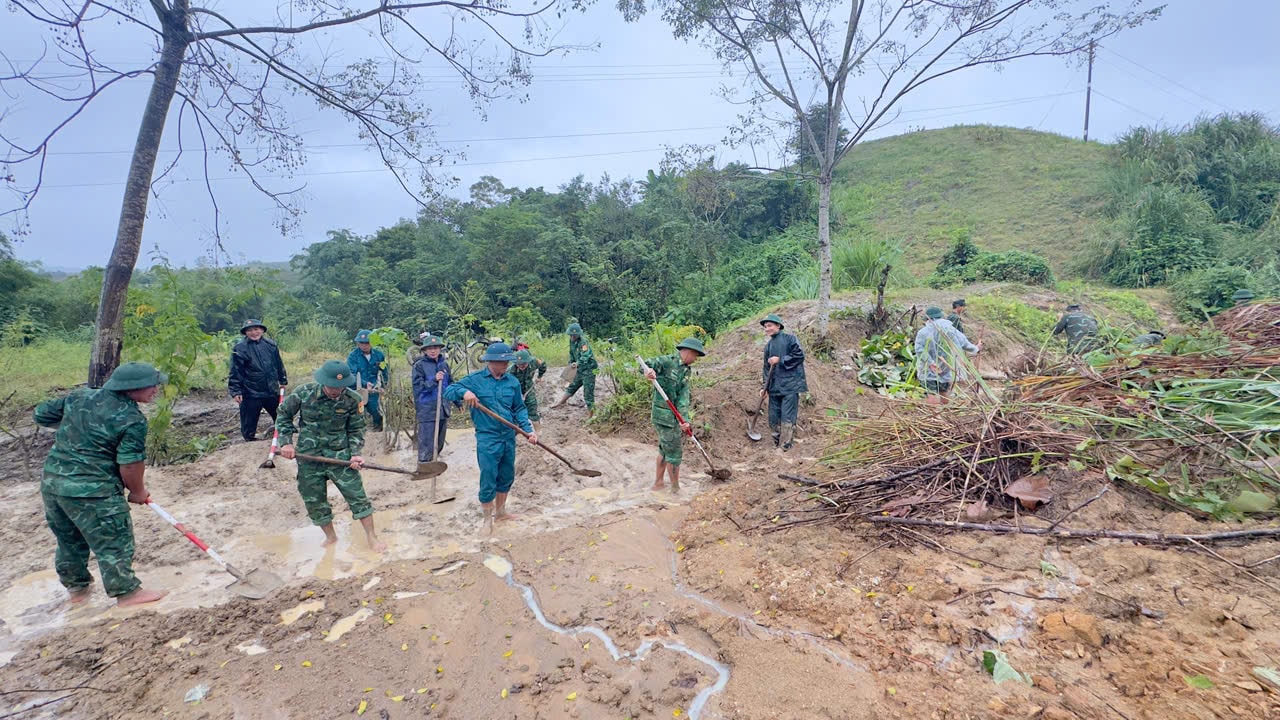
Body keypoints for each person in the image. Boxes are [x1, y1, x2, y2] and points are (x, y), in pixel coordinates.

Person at [35, 361, 169, 607]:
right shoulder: (132, 419)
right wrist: (138, 491)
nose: (156, 390)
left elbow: (41, 414)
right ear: (132, 388)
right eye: (152, 385)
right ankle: (127, 592)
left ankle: (77, 589)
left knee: (69, 539)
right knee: (114, 539)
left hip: (54, 484)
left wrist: (77, 424)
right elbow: (130, 464)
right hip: (94, 491)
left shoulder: (78, 397)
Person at [277, 360, 385, 552]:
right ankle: (331, 536)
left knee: (357, 496)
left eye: (340, 387)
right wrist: (286, 442)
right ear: (323, 381)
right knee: (314, 500)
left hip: (340, 457)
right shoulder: (304, 393)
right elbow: (283, 415)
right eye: (332, 386)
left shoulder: (353, 399)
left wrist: (355, 454)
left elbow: (356, 429)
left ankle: (372, 537)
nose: (336, 391)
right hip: (308, 457)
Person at [445, 342, 537, 535]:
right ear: (491, 362)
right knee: (488, 477)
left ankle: (501, 512)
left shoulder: (512, 382)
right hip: (488, 437)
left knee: (506, 475)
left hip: (508, 436)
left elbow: (519, 409)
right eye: (502, 362)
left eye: (507, 362)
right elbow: (449, 391)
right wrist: (465, 392)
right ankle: (487, 519)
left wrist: (529, 430)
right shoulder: (475, 380)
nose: (506, 365)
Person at [643, 337, 706, 493]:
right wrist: (648, 371)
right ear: (689, 352)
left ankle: (658, 484)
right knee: (674, 453)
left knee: (665, 449)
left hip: (673, 416)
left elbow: (683, 397)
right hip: (663, 416)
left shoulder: (686, 371)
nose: (695, 359)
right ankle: (675, 490)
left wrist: (684, 420)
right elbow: (646, 364)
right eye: (695, 356)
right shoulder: (667, 362)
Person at [228, 319, 288, 441]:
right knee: (249, 421)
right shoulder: (240, 348)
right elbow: (236, 370)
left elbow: (278, 363)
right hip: (250, 391)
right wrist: (236, 391)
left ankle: (284, 436)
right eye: (250, 330)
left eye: (256, 329)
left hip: (271, 389)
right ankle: (250, 441)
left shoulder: (271, 345)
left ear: (262, 330)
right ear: (245, 333)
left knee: (280, 415)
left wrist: (282, 380)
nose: (254, 333)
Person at [760, 313, 807, 451]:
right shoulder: (768, 346)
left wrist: (780, 359)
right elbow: (766, 368)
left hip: (790, 385)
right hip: (774, 387)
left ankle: (785, 445)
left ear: (778, 326)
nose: (767, 329)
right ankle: (776, 443)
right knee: (773, 416)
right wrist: (764, 387)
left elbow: (799, 356)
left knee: (787, 416)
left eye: (769, 326)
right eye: (765, 327)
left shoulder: (790, 339)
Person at [914, 307, 979, 404]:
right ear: (940, 316)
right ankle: (945, 411)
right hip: (946, 368)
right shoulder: (950, 329)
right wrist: (976, 348)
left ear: (928, 319)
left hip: (928, 370)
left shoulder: (923, 332)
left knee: (931, 393)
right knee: (944, 392)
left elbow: (919, 350)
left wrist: (931, 363)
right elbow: (964, 343)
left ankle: (933, 413)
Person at [411, 334, 454, 462]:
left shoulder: (444, 365)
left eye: (435, 348)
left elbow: (450, 384)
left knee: (439, 442)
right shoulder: (419, 366)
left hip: (443, 408)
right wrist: (434, 380)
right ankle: (424, 466)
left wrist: (457, 401)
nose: (433, 351)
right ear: (424, 350)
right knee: (427, 444)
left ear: (440, 349)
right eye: (429, 348)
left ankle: (434, 464)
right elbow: (418, 388)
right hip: (427, 410)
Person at [549, 322, 597, 417]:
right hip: (579, 369)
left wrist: (577, 363)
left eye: (574, 335)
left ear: (579, 334)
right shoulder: (571, 341)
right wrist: (570, 364)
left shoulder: (583, 342)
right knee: (572, 386)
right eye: (571, 335)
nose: (572, 337)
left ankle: (591, 414)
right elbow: (572, 353)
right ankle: (561, 402)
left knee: (588, 393)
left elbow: (585, 356)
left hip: (589, 370)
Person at [346, 329, 388, 432]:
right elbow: (351, 374)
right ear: (358, 343)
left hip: (373, 388)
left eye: (367, 343)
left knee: (375, 409)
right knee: (356, 411)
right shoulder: (353, 356)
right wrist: (364, 384)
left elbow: (385, 372)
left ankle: (378, 428)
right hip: (357, 387)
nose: (364, 346)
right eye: (361, 343)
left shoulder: (379, 355)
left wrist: (384, 386)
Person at [512, 349, 549, 427]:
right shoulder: (511, 371)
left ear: (528, 361)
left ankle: (537, 427)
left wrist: (539, 376)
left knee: (532, 406)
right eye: (519, 364)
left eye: (524, 364)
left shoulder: (534, 362)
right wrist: (517, 394)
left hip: (529, 388)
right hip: (515, 390)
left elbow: (543, 365)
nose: (521, 366)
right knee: (515, 409)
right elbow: (507, 385)